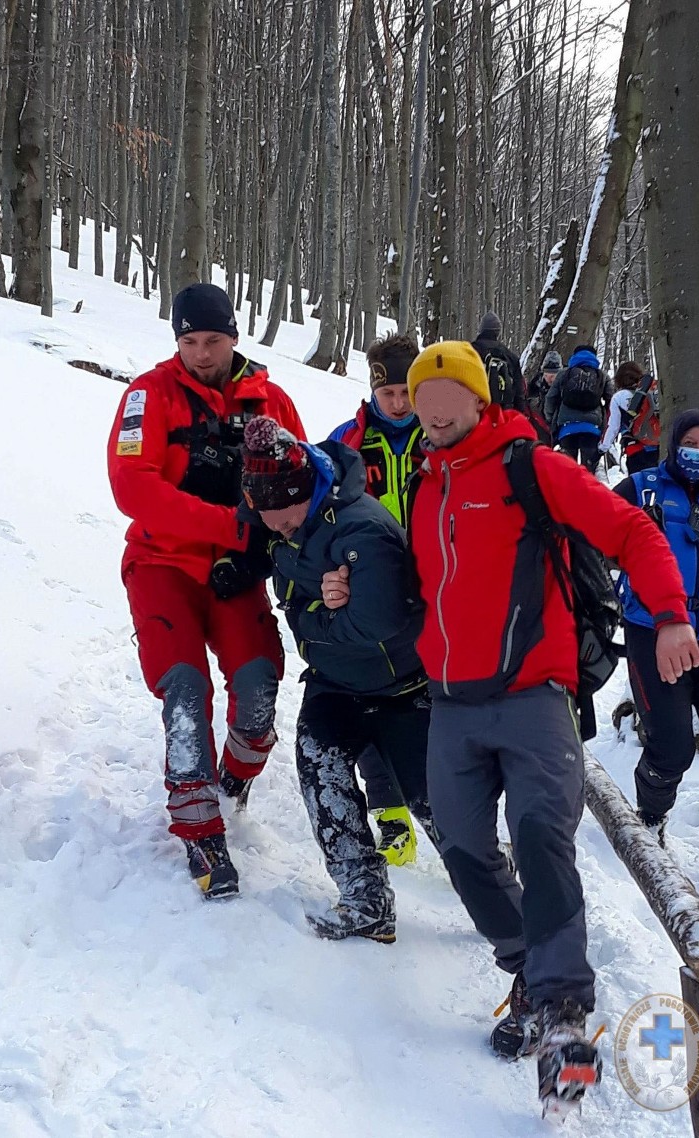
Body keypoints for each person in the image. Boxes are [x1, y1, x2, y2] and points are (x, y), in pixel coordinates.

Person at [404, 341, 694, 1115]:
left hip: (535, 696)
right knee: (464, 851)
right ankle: (527, 966)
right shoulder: (421, 477)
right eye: (423, 412)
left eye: (445, 408)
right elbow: (421, 583)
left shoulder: (530, 466)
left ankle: (566, 1025)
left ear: (478, 401)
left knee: (541, 837)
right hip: (450, 703)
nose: (433, 422)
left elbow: (632, 532)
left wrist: (669, 616)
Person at [107, 283, 306, 900]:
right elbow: (132, 489)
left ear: (234, 337)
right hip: (162, 565)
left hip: (236, 572)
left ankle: (236, 776)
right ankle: (199, 825)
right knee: (185, 689)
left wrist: (263, 553)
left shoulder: (270, 400)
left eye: (212, 341)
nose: (200, 353)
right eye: (188, 341)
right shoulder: (149, 395)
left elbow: (302, 482)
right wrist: (228, 525)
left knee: (257, 687)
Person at [239, 415, 439, 942]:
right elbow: (294, 609)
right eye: (269, 521)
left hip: (403, 683)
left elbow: (377, 620)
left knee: (432, 801)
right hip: (334, 682)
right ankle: (365, 898)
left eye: (284, 520)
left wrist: (318, 618)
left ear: (306, 492)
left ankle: (501, 895)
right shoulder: (278, 518)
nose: (277, 529)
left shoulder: (361, 528)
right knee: (319, 768)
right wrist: (320, 606)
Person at [615, 409, 699, 882]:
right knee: (671, 747)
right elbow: (588, 543)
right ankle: (649, 820)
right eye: (691, 442)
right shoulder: (640, 489)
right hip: (653, 633)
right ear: (674, 444)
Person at [329, 332, 424, 865]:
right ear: (373, 390)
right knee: (368, 701)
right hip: (370, 590)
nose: (399, 404)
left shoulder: (440, 436)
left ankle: (451, 810)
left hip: (435, 587)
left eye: (407, 392)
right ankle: (392, 817)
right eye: (389, 394)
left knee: (430, 706)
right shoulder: (347, 441)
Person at [544, 344, 613, 473]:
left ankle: (568, 492)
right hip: (592, 428)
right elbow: (611, 401)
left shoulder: (564, 374)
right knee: (588, 471)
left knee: (568, 470)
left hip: (567, 427)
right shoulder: (602, 376)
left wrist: (550, 418)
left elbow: (550, 398)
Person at [599, 361, 660, 474]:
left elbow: (612, 427)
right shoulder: (653, 392)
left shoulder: (619, 397)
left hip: (636, 450)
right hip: (659, 448)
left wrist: (602, 448)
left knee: (639, 486)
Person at [472, 310, 528, 412]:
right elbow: (519, 393)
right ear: (498, 332)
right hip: (503, 413)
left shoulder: (471, 351)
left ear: (481, 330)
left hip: (477, 412)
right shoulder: (510, 356)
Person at [527, 349, 562, 415]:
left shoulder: (564, 385)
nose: (548, 379)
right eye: (546, 375)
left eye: (552, 376)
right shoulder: (537, 383)